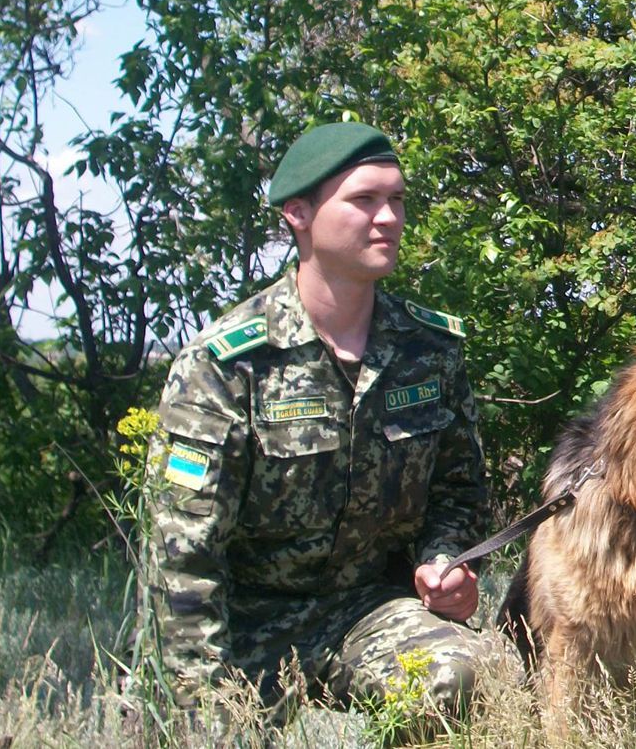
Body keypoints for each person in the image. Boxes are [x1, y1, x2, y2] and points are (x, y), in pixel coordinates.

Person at [147, 122, 494, 719]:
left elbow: (459, 494)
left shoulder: (428, 350)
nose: (387, 217)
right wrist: (199, 703)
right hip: (240, 624)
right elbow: (183, 557)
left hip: (368, 612)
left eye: (397, 199)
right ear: (298, 213)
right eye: (363, 200)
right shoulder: (225, 365)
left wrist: (447, 563)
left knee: (473, 676)